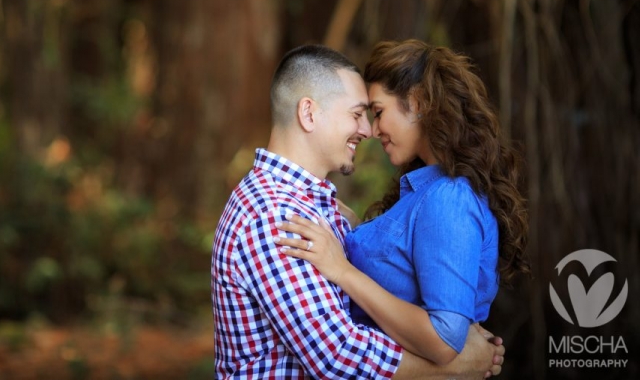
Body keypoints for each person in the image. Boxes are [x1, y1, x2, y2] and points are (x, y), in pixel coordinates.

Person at [211, 44, 505, 379]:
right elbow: (337, 355)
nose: (367, 130)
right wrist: (460, 365)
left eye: (373, 113)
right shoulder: (274, 214)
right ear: (308, 114)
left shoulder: (309, 207)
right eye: (357, 114)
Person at [275, 39, 529, 367]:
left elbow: (443, 340)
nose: (372, 129)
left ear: (418, 101)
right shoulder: (427, 191)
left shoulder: (448, 199)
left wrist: (342, 271)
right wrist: (350, 226)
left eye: (379, 112)